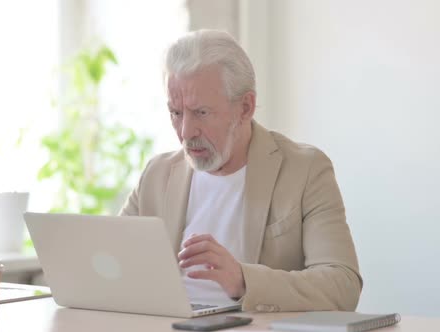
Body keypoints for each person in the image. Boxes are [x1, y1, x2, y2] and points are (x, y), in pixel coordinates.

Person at [120, 29, 362, 312]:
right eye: (176, 113)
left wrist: (244, 281)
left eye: (201, 112)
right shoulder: (157, 174)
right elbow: (113, 260)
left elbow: (342, 285)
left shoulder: (305, 170)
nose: (186, 132)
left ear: (245, 108)